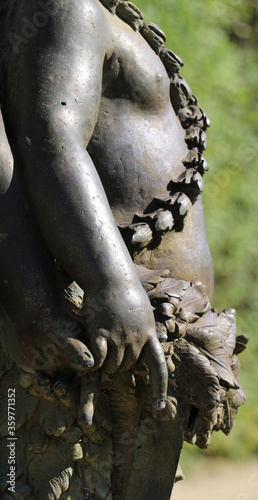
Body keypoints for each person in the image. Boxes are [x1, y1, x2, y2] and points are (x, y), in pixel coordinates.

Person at [0, 0, 213, 422]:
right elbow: (49, 138)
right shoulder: (63, 5)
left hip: (123, 340)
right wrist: (110, 285)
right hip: (101, 339)